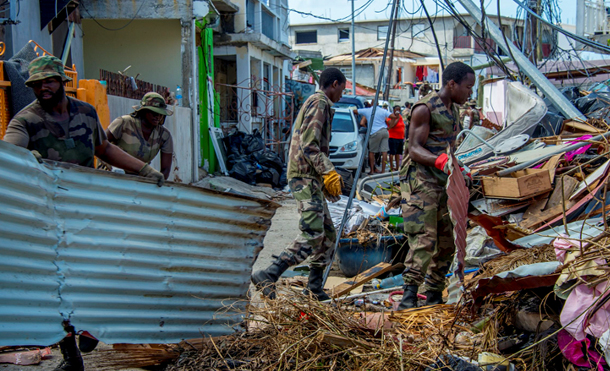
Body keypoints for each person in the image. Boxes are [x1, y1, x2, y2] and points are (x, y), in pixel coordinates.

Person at [3, 55, 165, 371]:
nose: (42, 88)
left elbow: (104, 148)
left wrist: (144, 170)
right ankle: (72, 356)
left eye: (48, 81)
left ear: (62, 81)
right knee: (58, 286)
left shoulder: (86, 113)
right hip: (48, 215)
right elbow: (10, 151)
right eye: (36, 84)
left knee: (106, 269)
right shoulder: (26, 120)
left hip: (88, 207)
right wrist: (20, 157)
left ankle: (94, 327)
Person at [251, 67, 346, 301]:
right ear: (334, 84)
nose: (342, 95)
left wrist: (323, 176)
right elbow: (309, 145)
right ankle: (269, 273)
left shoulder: (320, 103)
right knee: (313, 232)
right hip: (304, 176)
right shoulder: (320, 102)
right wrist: (329, 171)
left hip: (309, 176)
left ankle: (314, 288)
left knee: (328, 235)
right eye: (342, 90)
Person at [397, 62, 475, 310]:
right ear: (451, 84)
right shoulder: (425, 108)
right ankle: (408, 299)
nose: (470, 93)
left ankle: (433, 294)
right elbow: (414, 149)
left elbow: (449, 147)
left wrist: (458, 166)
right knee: (424, 239)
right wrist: (439, 160)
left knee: (446, 241)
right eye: (467, 87)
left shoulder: (453, 110)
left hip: (443, 182)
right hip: (420, 181)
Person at [105, 92, 174, 179]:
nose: (158, 116)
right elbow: (101, 142)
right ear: (144, 111)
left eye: (161, 114)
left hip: (139, 178)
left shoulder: (164, 135)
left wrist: (156, 182)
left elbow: (165, 169)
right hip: (113, 174)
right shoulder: (124, 123)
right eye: (154, 113)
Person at [353, 104, 398, 174]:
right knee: (384, 151)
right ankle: (383, 170)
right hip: (384, 131)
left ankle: (372, 170)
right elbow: (393, 117)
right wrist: (390, 127)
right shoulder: (383, 111)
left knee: (371, 152)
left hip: (374, 132)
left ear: (371, 104)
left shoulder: (367, 110)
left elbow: (355, 111)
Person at [387, 105, 405, 172]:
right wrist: (396, 118)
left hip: (400, 137)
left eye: (399, 109)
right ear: (394, 110)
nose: (398, 111)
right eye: (396, 109)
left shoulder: (400, 117)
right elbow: (393, 125)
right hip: (393, 137)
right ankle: (391, 167)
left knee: (398, 153)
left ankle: (397, 167)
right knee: (392, 153)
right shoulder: (391, 117)